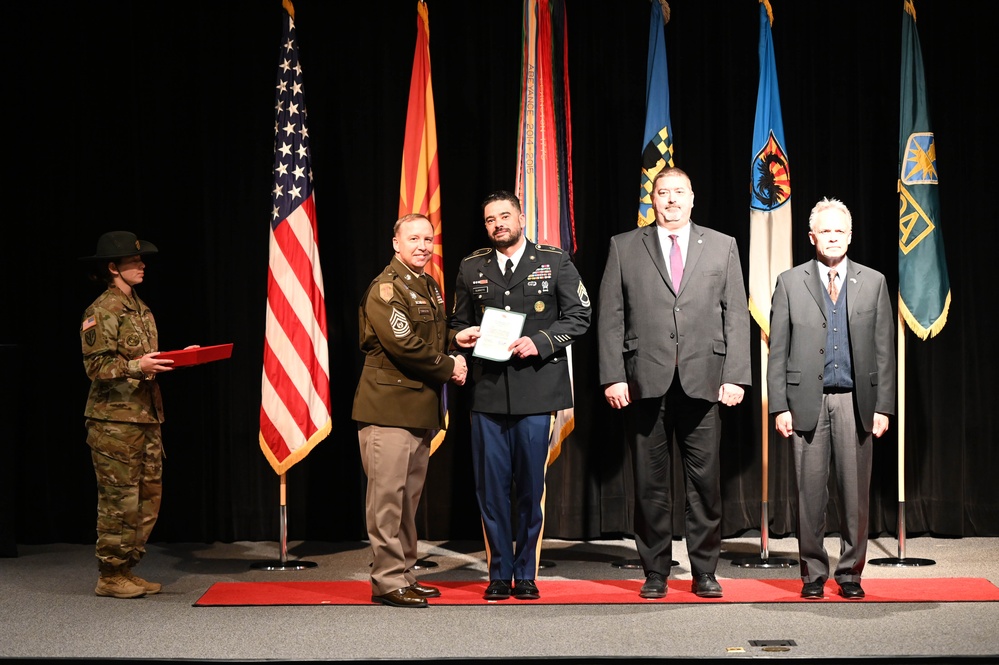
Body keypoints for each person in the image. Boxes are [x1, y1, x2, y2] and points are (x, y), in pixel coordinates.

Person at [597, 166, 751, 599]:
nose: (671, 200)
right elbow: (611, 317)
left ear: (692, 197)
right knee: (650, 485)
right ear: (653, 198)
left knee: (704, 485)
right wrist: (612, 375)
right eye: (663, 192)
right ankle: (656, 572)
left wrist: (736, 375)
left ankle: (705, 570)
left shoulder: (722, 246)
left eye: (678, 192)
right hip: (645, 381)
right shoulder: (625, 246)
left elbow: (736, 314)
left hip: (704, 381)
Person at [450, 190, 591, 601]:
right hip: (488, 393)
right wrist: (459, 335)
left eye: (505, 216)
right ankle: (498, 572)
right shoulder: (471, 266)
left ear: (521, 218)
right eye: (491, 219)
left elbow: (579, 315)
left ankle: (526, 572)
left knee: (530, 488)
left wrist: (542, 341)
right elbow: (456, 322)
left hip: (536, 390)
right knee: (491, 489)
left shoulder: (554, 261)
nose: (499, 224)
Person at [767, 197, 895, 600]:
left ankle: (851, 573)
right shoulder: (790, 282)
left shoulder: (873, 282)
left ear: (850, 236)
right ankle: (812, 574)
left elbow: (884, 351)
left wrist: (884, 407)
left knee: (855, 494)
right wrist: (780, 405)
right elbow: (778, 351)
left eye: (840, 231)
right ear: (812, 237)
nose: (834, 237)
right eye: (826, 231)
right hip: (807, 401)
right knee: (809, 493)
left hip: (857, 402)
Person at [352, 213, 478, 608]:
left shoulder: (427, 285)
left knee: (406, 502)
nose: (422, 246)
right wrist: (450, 366)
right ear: (396, 243)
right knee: (387, 501)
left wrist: (457, 337)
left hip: (418, 409)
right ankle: (387, 580)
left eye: (428, 238)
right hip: (388, 410)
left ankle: (404, 572)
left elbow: (431, 335)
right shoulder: (386, 289)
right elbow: (403, 343)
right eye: (414, 239)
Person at [80, 230, 178, 598]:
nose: (141, 265)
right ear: (112, 268)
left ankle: (127, 567)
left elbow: (139, 361)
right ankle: (109, 574)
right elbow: (97, 367)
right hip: (114, 423)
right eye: (133, 261)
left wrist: (174, 358)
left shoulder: (139, 308)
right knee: (119, 499)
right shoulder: (101, 311)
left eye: (140, 260)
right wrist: (139, 365)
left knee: (148, 497)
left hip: (145, 416)